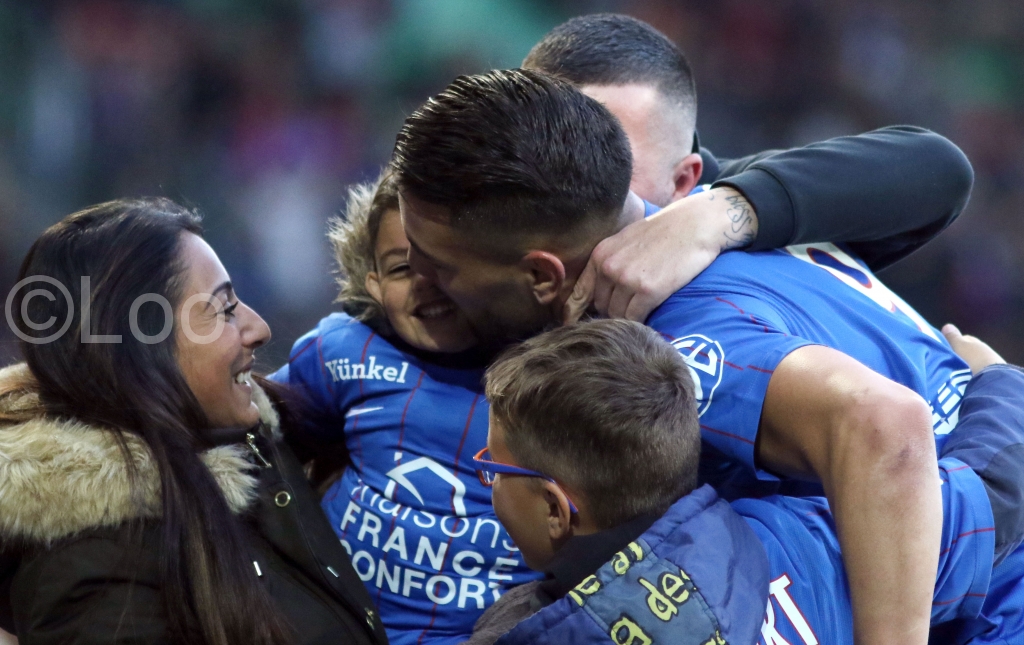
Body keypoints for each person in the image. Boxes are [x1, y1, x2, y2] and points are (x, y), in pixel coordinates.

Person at [388, 68, 997, 645]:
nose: (416, 274)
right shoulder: (737, 212)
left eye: (439, 264)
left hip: (988, 602)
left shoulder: (678, 341)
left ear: (543, 276)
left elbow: (881, 423)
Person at [466, 319, 1024, 645]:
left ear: (556, 508)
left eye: (495, 468)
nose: (487, 479)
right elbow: (993, 492)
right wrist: (1002, 380)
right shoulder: (820, 542)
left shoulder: (523, 631)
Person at [0, 199, 387, 645]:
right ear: (140, 347)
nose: (259, 328)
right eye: (225, 309)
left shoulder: (251, 442)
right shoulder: (94, 576)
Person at [522, 13, 974, 323]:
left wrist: (718, 215)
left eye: (607, 161)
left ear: (684, 180)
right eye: (546, 152)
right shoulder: (494, 219)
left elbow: (938, 167)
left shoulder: (734, 201)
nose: (566, 184)